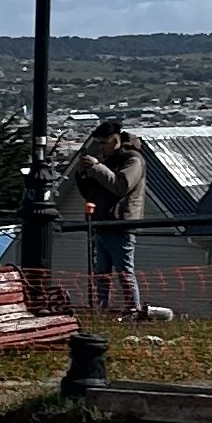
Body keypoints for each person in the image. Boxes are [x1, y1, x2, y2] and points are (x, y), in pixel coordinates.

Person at [71, 118, 151, 319]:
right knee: (101, 273)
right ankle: (101, 308)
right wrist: (82, 175)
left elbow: (120, 186)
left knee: (124, 271)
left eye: (103, 143)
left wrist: (97, 168)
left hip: (121, 224)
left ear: (115, 140)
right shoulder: (107, 162)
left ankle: (133, 309)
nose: (100, 147)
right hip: (102, 223)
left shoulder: (133, 160)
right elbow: (92, 192)